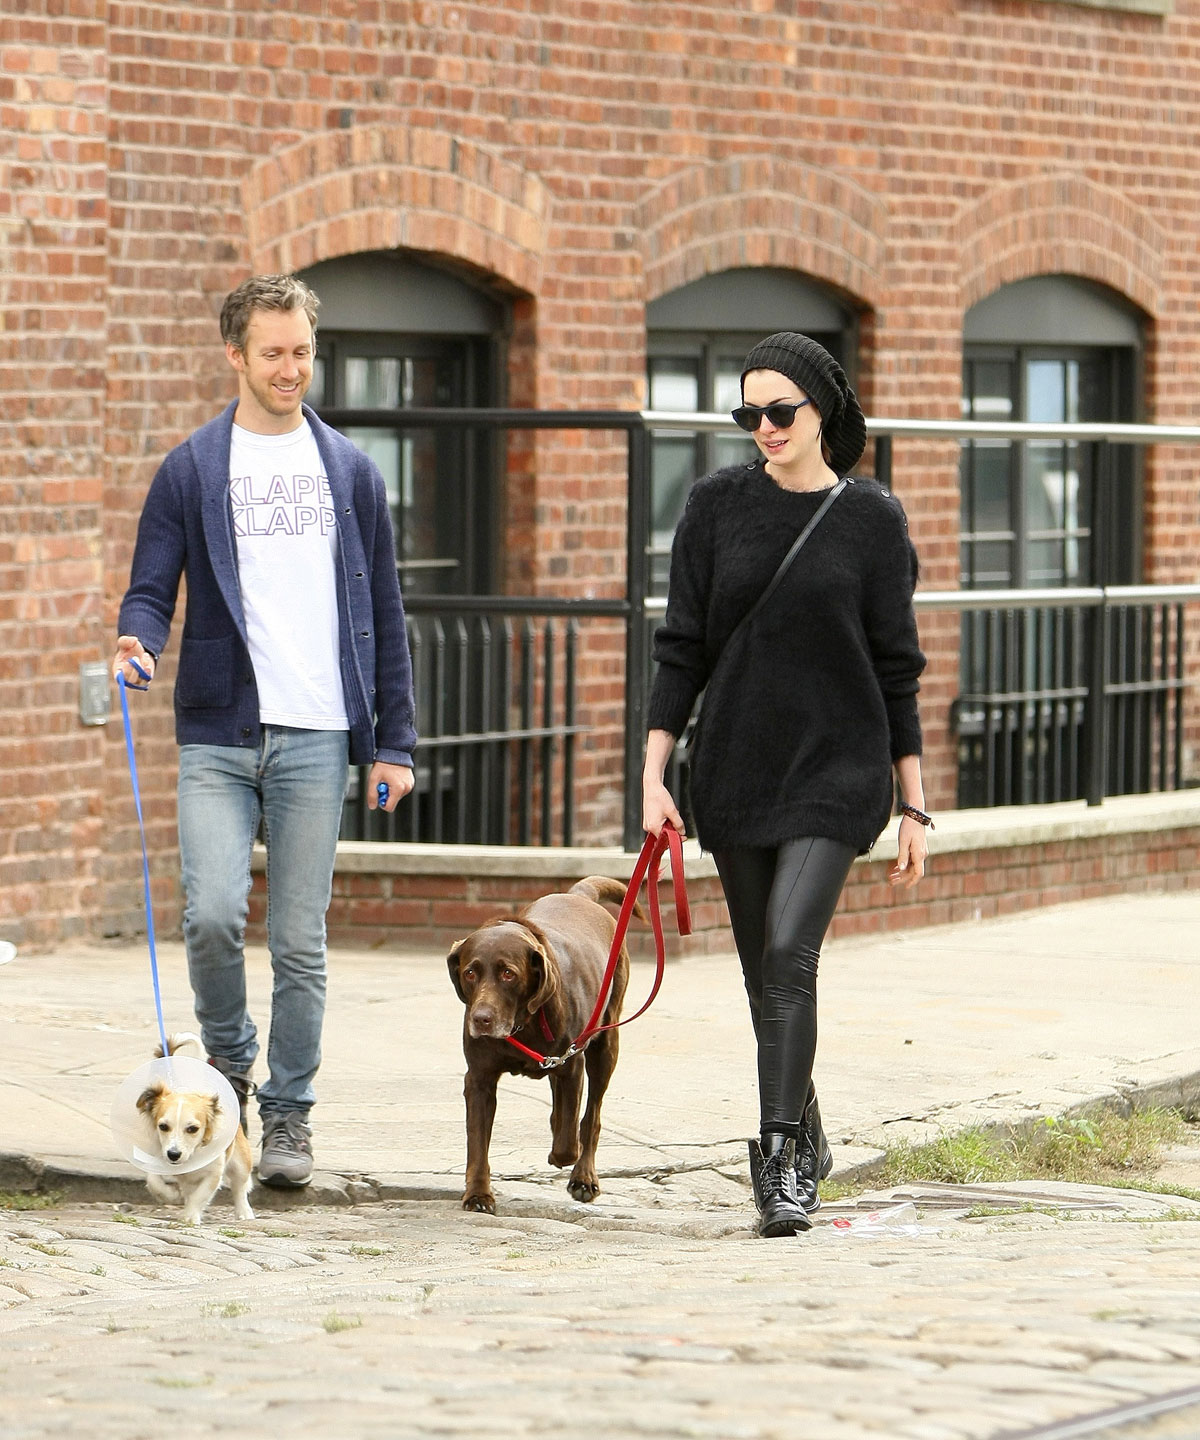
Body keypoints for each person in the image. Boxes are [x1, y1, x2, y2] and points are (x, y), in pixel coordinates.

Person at [112, 273, 416, 1188]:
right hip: (217, 728)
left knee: (299, 941)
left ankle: (287, 1115)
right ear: (235, 355)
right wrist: (138, 640)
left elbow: (386, 615)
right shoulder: (193, 467)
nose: (291, 369)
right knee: (209, 915)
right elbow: (150, 584)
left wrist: (393, 742)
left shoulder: (352, 474)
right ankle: (229, 1068)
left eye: (302, 353)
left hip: (319, 734)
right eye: (274, 353)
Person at [641, 332, 929, 1238]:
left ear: (822, 413)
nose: (763, 428)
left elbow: (897, 668)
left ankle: (775, 1160)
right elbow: (682, 646)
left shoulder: (873, 520)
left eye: (780, 411)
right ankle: (808, 1129)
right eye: (748, 413)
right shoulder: (715, 507)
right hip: (736, 765)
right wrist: (652, 772)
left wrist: (913, 797)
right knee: (761, 974)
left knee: (789, 957)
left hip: (838, 767)